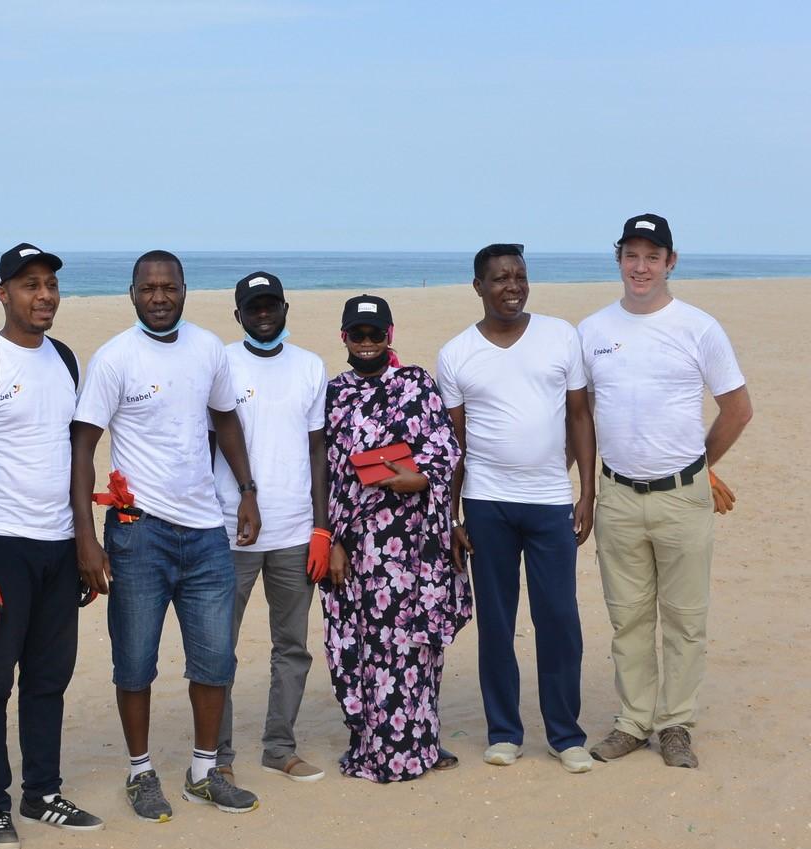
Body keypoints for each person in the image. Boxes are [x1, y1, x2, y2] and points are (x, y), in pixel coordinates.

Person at [71, 249, 262, 823]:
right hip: (137, 534)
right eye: (148, 288)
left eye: (169, 287)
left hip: (206, 532)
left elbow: (225, 417)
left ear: (185, 289)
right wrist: (86, 536)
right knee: (135, 661)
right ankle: (140, 772)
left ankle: (206, 770)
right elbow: (83, 444)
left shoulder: (208, 349)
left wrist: (247, 489)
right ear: (132, 293)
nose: (159, 297)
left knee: (214, 659)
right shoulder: (114, 358)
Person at [580, 214, 752, 769]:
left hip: (683, 496)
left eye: (653, 256)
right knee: (628, 617)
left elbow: (738, 409)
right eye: (631, 255)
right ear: (619, 260)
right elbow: (579, 417)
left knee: (684, 618)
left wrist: (702, 467)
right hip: (619, 496)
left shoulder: (699, 327)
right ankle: (633, 722)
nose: (641, 267)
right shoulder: (593, 331)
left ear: (671, 262)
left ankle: (675, 723)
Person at [0, 243, 103, 849]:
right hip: (0, 545)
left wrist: (85, 541)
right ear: (2, 293)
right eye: (29, 285)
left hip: (59, 544)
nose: (44, 296)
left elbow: (76, 456)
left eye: (50, 285)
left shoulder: (66, 360)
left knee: (49, 677)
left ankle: (42, 792)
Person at [436, 244, 595, 774]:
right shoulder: (456, 353)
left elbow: (579, 415)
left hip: (550, 501)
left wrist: (586, 491)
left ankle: (565, 734)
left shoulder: (560, 335)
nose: (513, 286)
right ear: (478, 286)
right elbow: (453, 443)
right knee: (497, 623)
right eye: (500, 278)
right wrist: (453, 516)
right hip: (486, 504)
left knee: (558, 619)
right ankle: (504, 732)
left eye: (520, 277)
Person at [322, 294, 471, 783]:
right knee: (366, 649)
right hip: (359, 547)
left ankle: (421, 744)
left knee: (415, 648)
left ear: (391, 335)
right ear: (344, 338)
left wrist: (420, 478)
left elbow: (447, 449)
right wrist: (333, 541)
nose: (367, 344)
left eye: (376, 334)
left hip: (415, 547)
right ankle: (373, 748)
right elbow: (324, 476)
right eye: (357, 335)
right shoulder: (333, 394)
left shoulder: (418, 384)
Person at [212, 272, 329, 785]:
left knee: (292, 648)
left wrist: (322, 527)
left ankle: (279, 747)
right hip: (228, 531)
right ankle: (216, 753)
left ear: (285, 308)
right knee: (217, 647)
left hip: (294, 531)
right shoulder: (221, 364)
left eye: (270, 305)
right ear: (237, 315)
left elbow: (318, 450)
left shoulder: (310, 366)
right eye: (252, 307)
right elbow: (206, 442)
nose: (263, 314)